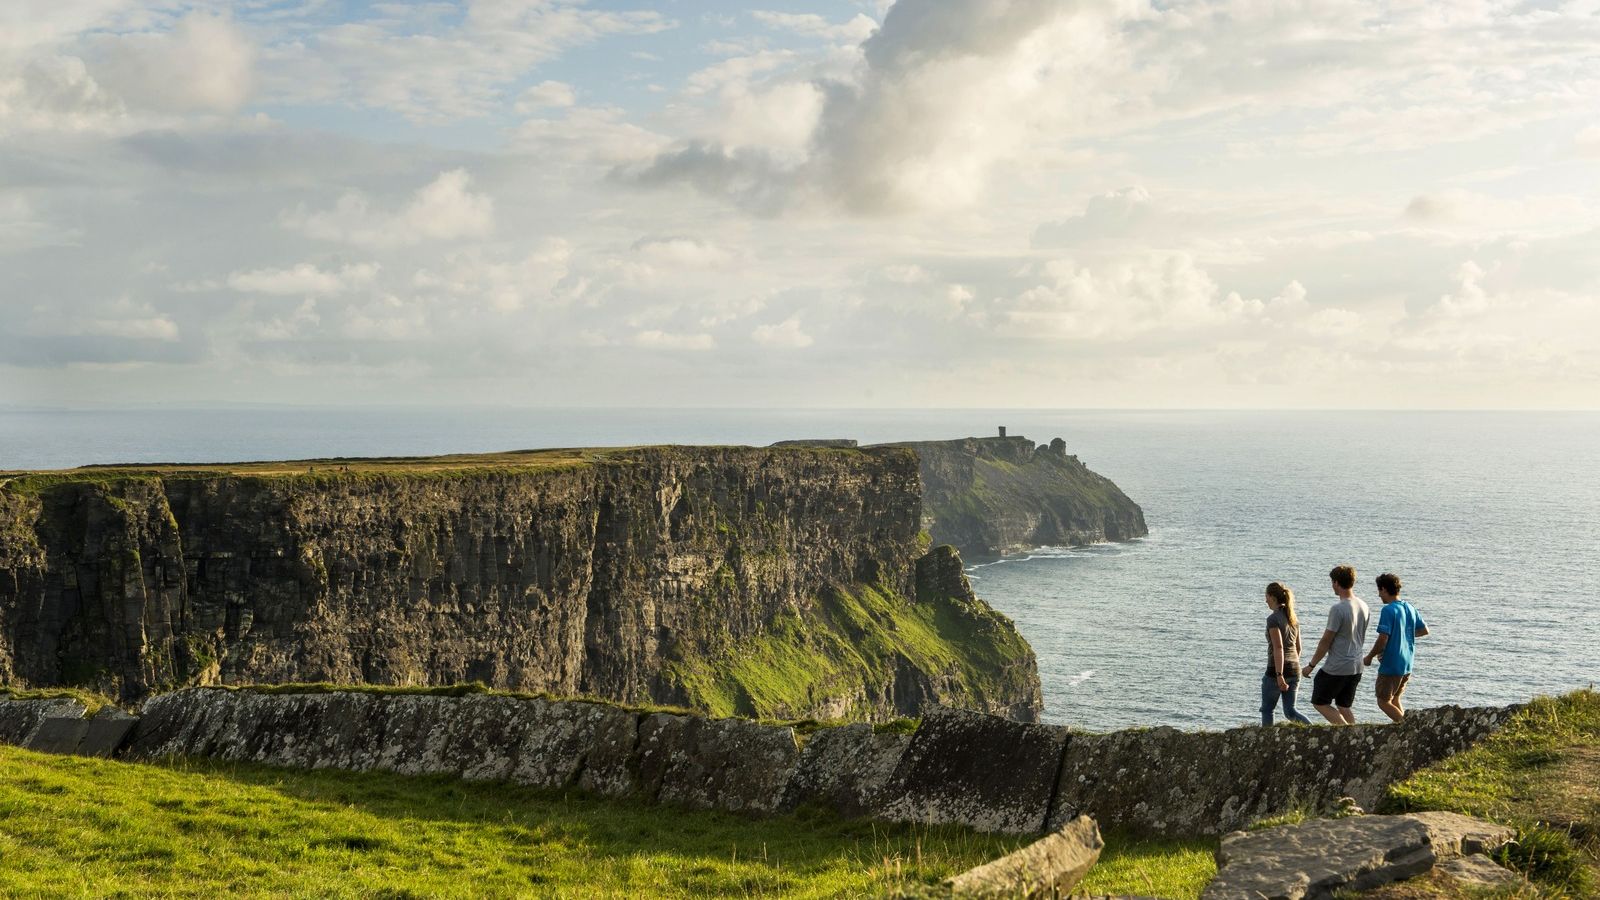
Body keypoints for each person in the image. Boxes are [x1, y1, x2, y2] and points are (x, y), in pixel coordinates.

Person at [1302, 564, 1371, 725]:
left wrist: (1311, 665)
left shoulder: (1338, 609)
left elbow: (1326, 641)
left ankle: (1345, 732)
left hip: (1338, 665)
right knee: (1343, 705)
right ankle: (1355, 736)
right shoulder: (1364, 605)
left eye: (1332, 582)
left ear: (1336, 583)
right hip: (1356, 665)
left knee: (1319, 701)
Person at [1364, 572, 1430, 722]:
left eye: (1379, 590)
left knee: (1383, 701)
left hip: (1392, 664)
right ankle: (1408, 726)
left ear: (1384, 589)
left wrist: (1369, 657)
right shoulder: (1410, 607)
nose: (1378, 595)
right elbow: (1424, 630)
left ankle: (1408, 730)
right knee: (1395, 699)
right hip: (1407, 663)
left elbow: (1383, 639)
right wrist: (1403, 637)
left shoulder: (1388, 610)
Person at [1261, 582, 1311, 725]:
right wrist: (1292, 666)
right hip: (1294, 669)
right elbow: (1298, 648)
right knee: (1290, 711)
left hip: (1276, 671)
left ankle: (1266, 745)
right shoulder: (1293, 618)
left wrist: (1279, 675)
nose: (1265, 600)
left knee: (1267, 710)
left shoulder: (1273, 619)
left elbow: (1278, 647)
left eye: (1266, 597)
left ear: (1272, 597)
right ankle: (1313, 731)